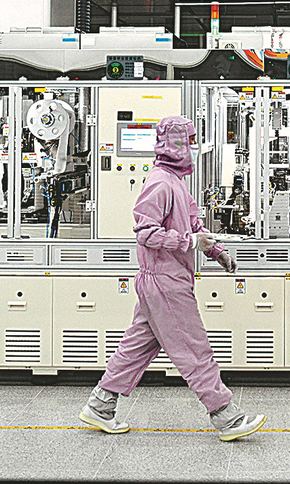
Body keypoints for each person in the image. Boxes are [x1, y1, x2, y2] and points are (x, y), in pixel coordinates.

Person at [80, 115, 266, 442]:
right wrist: (189, 244)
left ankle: (100, 405)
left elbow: (193, 225)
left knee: (137, 347)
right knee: (194, 349)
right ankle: (226, 416)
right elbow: (146, 233)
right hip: (164, 280)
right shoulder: (160, 183)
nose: (192, 147)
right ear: (173, 143)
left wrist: (218, 252)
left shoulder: (176, 182)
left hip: (165, 279)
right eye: (188, 140)